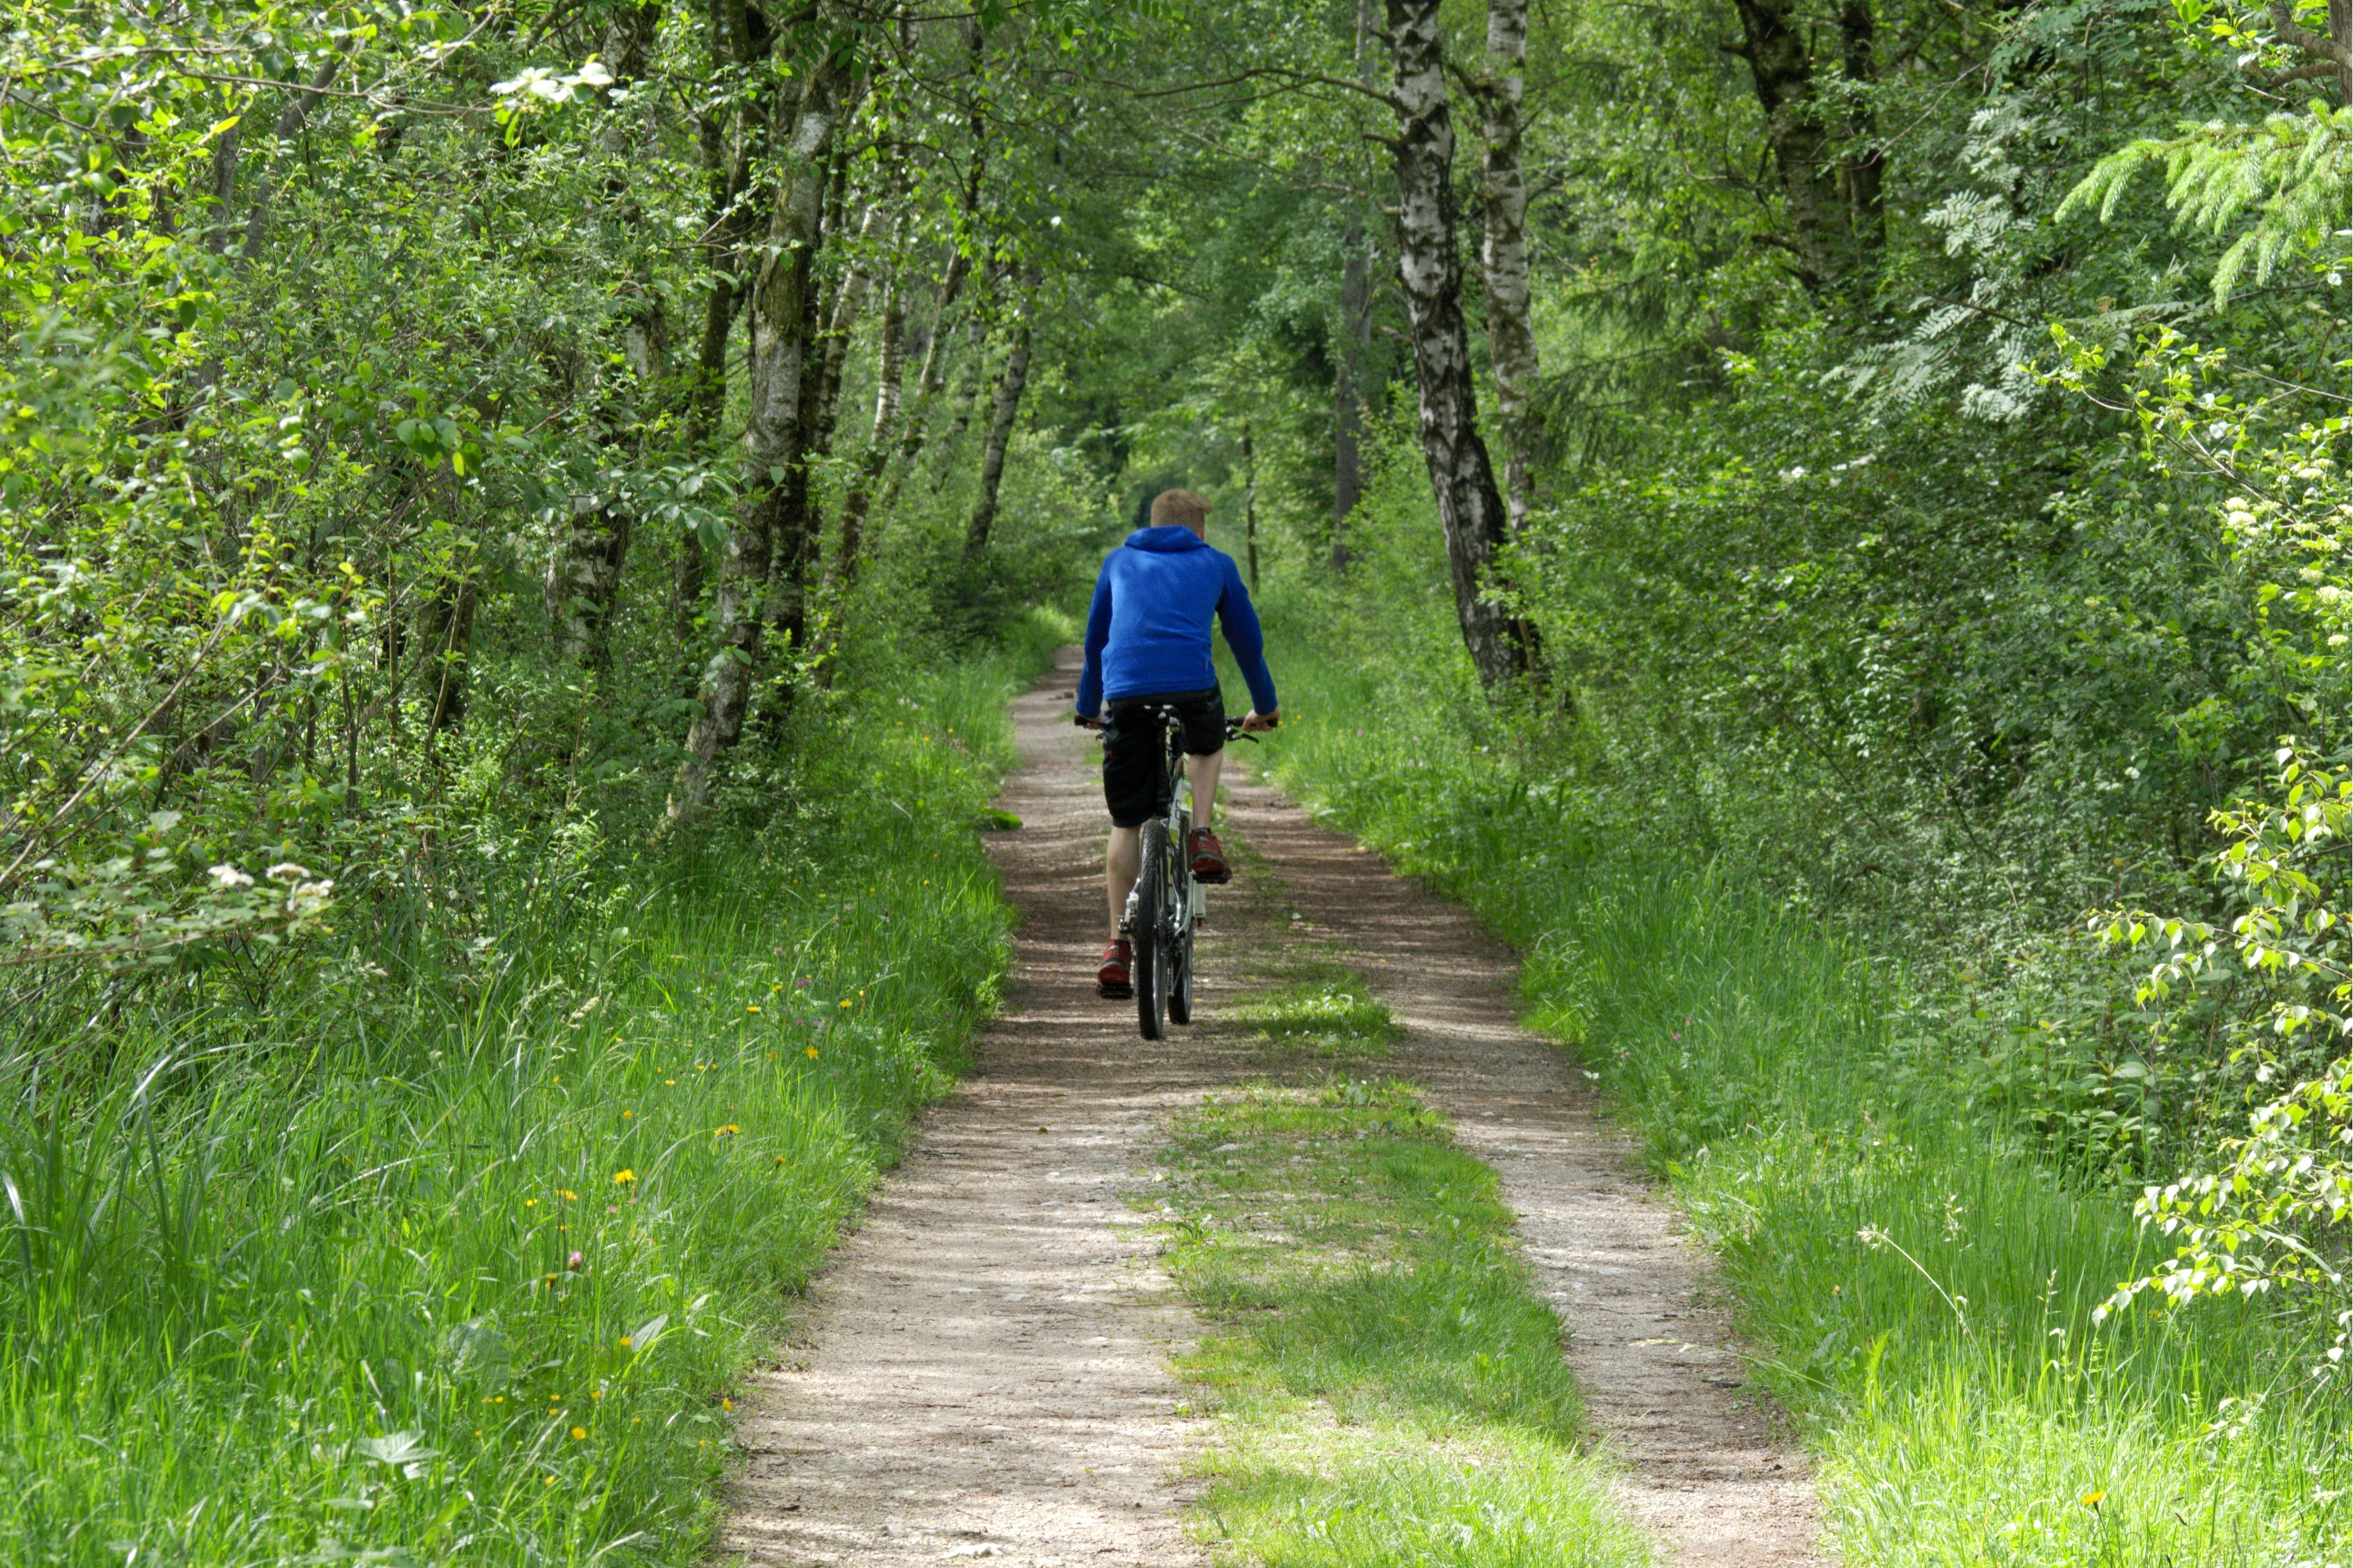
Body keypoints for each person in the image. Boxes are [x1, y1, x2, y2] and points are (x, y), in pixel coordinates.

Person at [1076, 489, 1278, 999]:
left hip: (1125, 696)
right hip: (1191, 690)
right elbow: (1246, 642)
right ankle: (1202, 835)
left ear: (1153, 522)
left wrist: (1087, 706)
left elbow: (1096, 638)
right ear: (1198, 529)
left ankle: (1117, 947)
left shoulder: (1118, 561)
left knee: (1126, 823)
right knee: (1205, 743)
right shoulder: (1215, 562)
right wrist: (1265, 707)